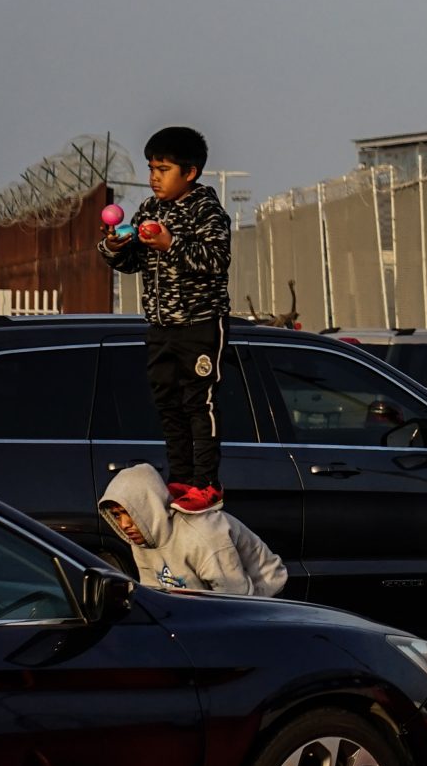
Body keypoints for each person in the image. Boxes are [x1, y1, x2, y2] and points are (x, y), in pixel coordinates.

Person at [96, 126, 234, 512]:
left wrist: (171, 243)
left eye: (163, 169)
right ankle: (181, 479)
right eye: (151, 169)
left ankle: (206, 484)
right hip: (160, 326)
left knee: (199, 403)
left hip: (200, 324)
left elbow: (216, 260)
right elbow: (132, 262)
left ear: (190, 173)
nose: (154, 177)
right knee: (167, 403)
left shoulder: (206, 210)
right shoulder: (150, 210)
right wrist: (113, 246)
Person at [100, 464, 287, 596]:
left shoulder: (202, 534)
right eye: (116, 515)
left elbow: (237, 599)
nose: (124, 524)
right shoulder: (142, 539)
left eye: (129, 513)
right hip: (209, 598)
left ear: (150, 506)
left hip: (264, 593)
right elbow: (156, 594)